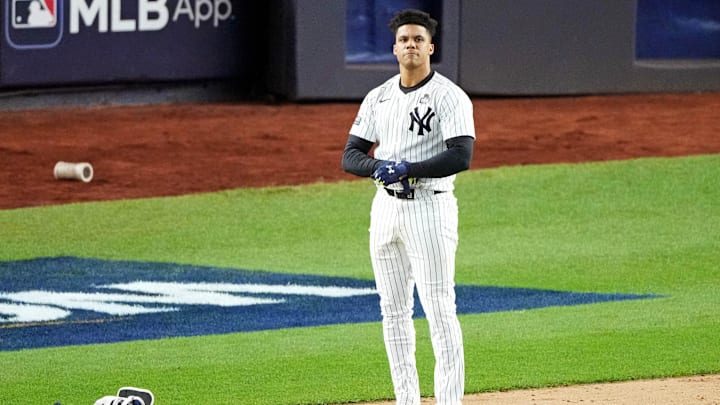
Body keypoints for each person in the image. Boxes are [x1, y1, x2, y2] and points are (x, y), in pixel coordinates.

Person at [341, 8, 475, 405]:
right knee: (393, 311)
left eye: (418, 39)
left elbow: (461, 155)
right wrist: (379, 167)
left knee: (439, 309)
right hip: (385, 212)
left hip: (430, 209)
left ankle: (449, 400)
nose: (411, 45)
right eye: (404, 40)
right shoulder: (379, 96)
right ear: (394, 48)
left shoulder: (448, 96)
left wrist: (409, 170)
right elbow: (350, 155)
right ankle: (407, 400)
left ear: (430, 47)